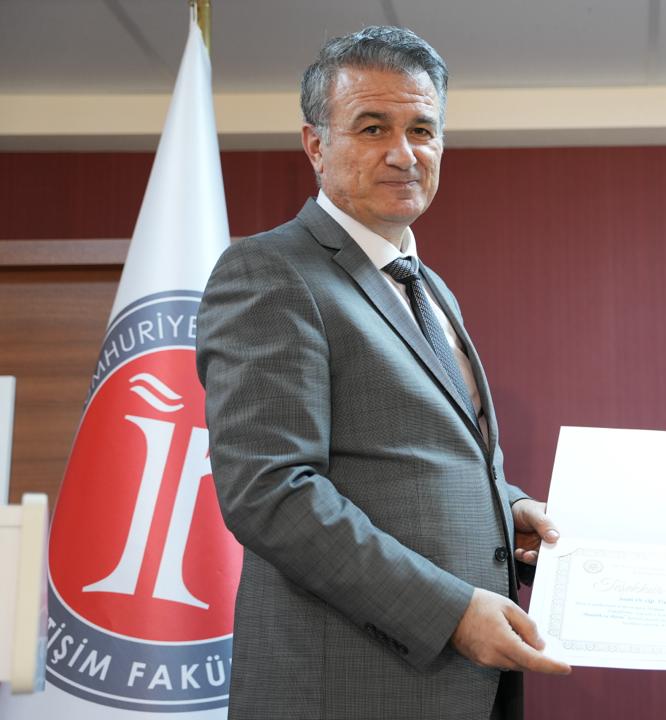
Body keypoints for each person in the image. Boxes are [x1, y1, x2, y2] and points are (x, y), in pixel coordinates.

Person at [196, 26, 570, 720]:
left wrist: (508, 508)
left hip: (464, 687)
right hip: (344, 689)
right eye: (372, 128)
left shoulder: (429, 287)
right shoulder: (269, 272)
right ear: (316, 145)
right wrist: (450, 613)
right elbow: (270, 492)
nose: (404, 153)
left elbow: (418, 459)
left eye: (422, 129)